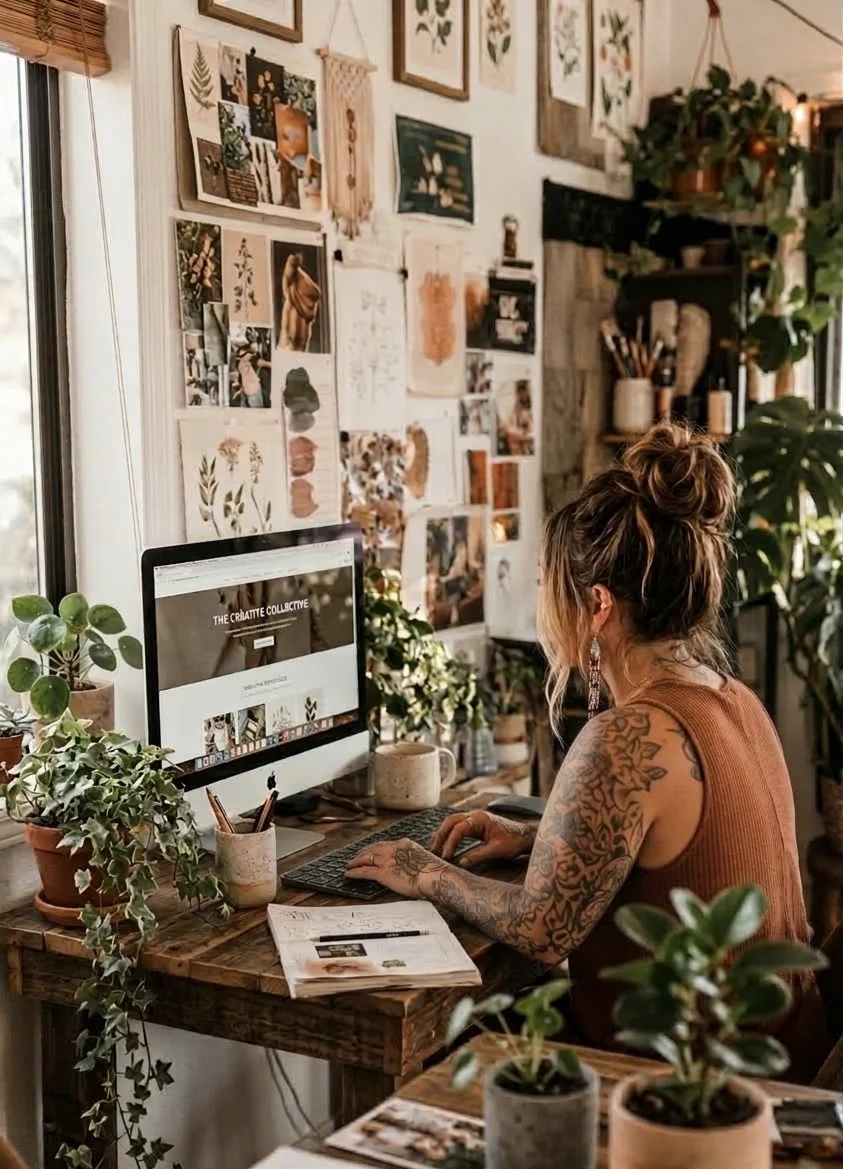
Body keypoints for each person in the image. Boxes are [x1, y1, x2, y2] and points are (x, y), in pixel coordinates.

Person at [346, 423, 827, 1080]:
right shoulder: (730, 695)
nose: (544, 608)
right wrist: (534, 834)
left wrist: (423, 868)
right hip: (786, 1052)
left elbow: (542, 928)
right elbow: (674, 849)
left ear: (597, 604)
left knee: (458, 1043)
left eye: (548, 586)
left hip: (698, 1090)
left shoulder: (630, 734)